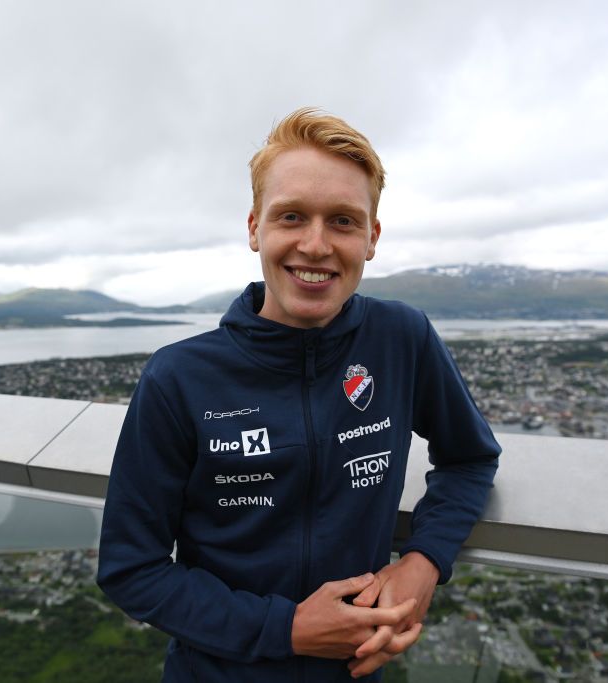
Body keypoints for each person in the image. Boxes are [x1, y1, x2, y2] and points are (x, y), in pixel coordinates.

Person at [97, 107, 501, 682]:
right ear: (255, 227)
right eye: (291, 216)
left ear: (372, 238)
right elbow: (130, 568)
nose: (315, 245)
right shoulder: (179, 377)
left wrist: (423, 562)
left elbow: (470, 457)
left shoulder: (402, 338)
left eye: (342, 221)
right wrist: (285, 630)